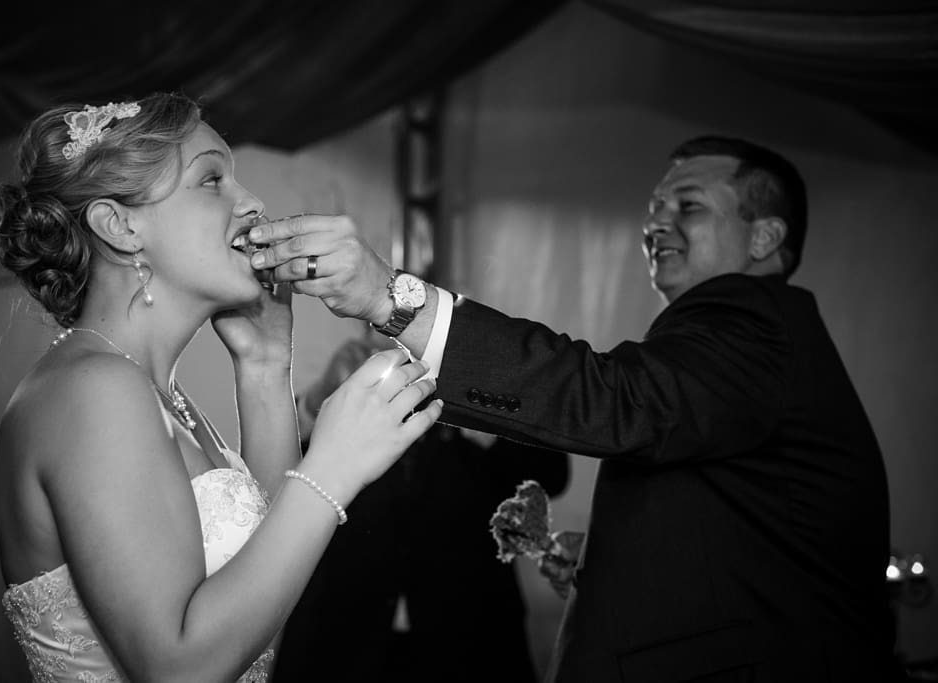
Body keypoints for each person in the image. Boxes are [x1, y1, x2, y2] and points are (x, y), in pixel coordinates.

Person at [242, 136, 896, 681]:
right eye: (654, 206)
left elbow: (613, 399)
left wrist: (393, 299)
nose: (656, 222)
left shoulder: (753, 324)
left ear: (764, 237)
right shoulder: (744, 341)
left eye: (688, 206)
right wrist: (620, 558)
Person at [0, 92, 442, 683]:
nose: (251, 204)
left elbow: (260, 607)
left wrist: (265, 369)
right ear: (120, 226)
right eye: (212, 179)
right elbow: (179, 670)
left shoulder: (156, 394)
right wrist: (333, 465)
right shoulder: (95, 389)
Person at [272, 336, 570, 683]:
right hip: (340, 633)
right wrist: (321, 396)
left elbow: (552, 476)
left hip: (469, 637)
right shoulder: (358, 390)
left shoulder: (479, 385)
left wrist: (490, 417)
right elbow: (280, 474)